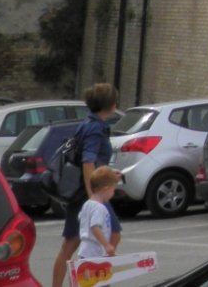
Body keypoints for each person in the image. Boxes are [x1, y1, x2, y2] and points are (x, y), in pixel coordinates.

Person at [51, 83, 121, 287]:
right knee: (109, 234)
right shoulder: (95, 128)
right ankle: (91, 280)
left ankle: (89, 280)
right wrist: (94, 194)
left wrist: (108, 175)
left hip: (86, 193)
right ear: (111, 104)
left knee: (73, 243)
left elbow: (93, 161)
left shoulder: (89, 123)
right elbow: (88, 161)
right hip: (89, 194)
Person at [72, 167, 123, 282]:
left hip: (85, 251)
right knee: (99, 281)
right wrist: (107, 245)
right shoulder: (100, 208)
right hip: (95, 252)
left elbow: (81, 218)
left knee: (88, 282)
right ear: (106, 188)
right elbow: (95, 227)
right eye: (113, 190)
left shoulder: (88, 204)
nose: (113, 193)